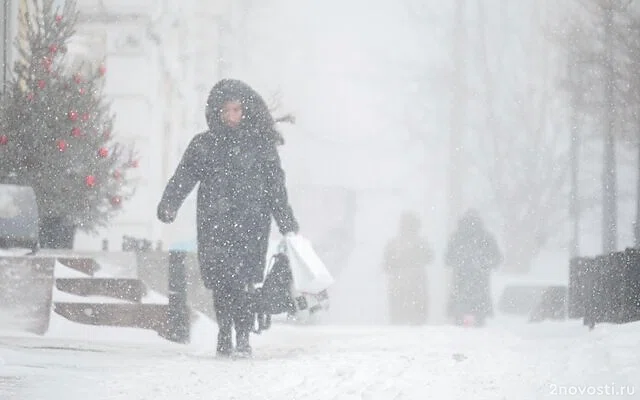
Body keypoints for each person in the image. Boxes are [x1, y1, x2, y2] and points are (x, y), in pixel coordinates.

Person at [156, 79, 299, 357]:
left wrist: (286, 223)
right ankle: (224, 332)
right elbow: (184, 176)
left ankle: (242, 336)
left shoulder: (261, 146)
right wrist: (169, 204)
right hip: (215, 223)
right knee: (221, 282)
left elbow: (275, 187)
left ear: (245, 111)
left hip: (251, 224)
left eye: (236, 110)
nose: (232, 117)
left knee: (244, 283)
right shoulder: (205, 145)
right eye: (226, 111)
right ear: (217, 112)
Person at [444, 209, 501, 327]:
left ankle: (460, 331)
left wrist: (460, 261)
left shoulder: (457, 236)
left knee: (460, 317)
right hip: (479, 283)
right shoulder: (486, 237)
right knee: (478, 317)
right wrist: (484, 263)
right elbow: (496, 258)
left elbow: (448, 259)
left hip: (461, 282)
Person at [382, 211, 433, 325]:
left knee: (399, 319)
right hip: (417, 285)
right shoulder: (421, 242)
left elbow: (386, 265)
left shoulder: (393, 243)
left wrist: (395, 266)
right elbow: (430, 258)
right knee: (417, 319)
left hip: (398, 286)